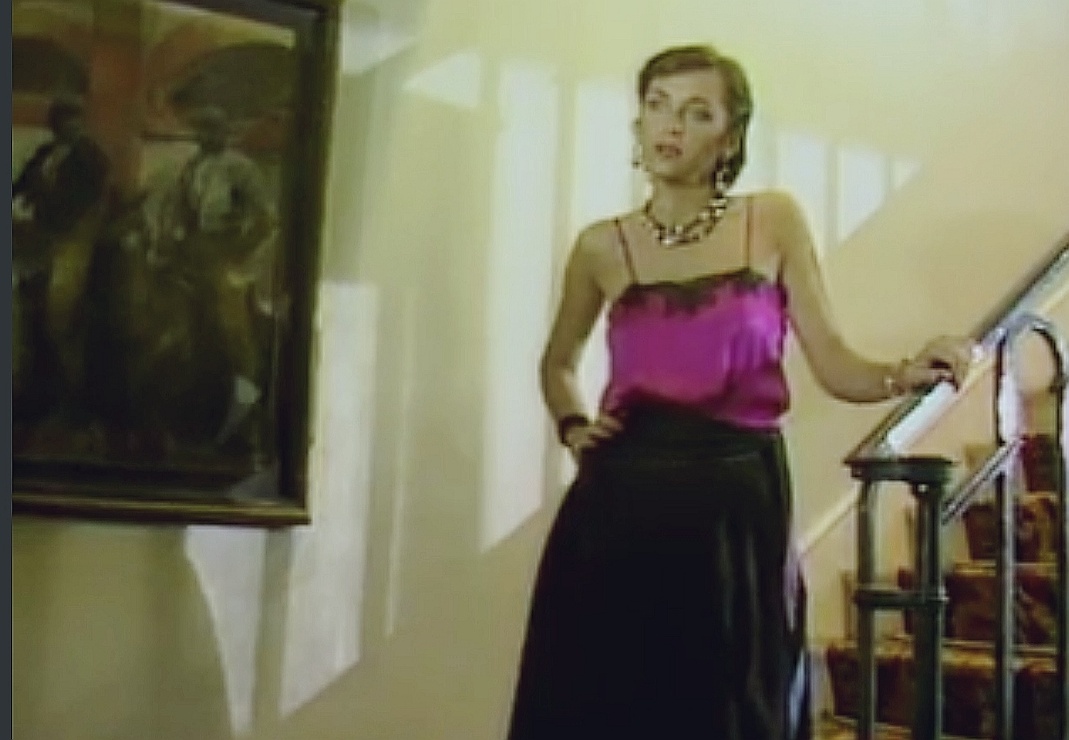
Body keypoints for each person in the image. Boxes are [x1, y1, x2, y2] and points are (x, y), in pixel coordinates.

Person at [506, 45, 976, 740]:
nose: (671, 125)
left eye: (698, 112)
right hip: (622, 499)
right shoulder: (601, 247)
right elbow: (557, 364)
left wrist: (902, 372)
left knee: (729, 701)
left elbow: (833, 361)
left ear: (728, 138)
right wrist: (573, 425)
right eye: (658, 106)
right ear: (638, 123)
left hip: (736, 498)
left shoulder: (772, 220)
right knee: (607, 700)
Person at [157, 105, 277, 447]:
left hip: (226, 255)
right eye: (202, 130)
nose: (207, 136)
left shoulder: (241, 169)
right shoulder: (191, 168)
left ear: (225, 133)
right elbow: (176, 210)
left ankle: (249, 415)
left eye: (213, 130)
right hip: (190, 254)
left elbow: (266, 217)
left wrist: (237, 252)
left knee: (231, 329)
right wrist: (170, 238)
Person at [12, 94, 109, 422]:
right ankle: (28, 384)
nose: (68, 126)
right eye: (62, 120)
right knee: (24, 301)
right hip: (41, 238)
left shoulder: (91, 156)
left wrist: (46, 220)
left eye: (74, 119)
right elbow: (21, 185)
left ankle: (72, 398)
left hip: (75, 239)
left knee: (60, 311)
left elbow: (85, 200)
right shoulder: (45, 153)